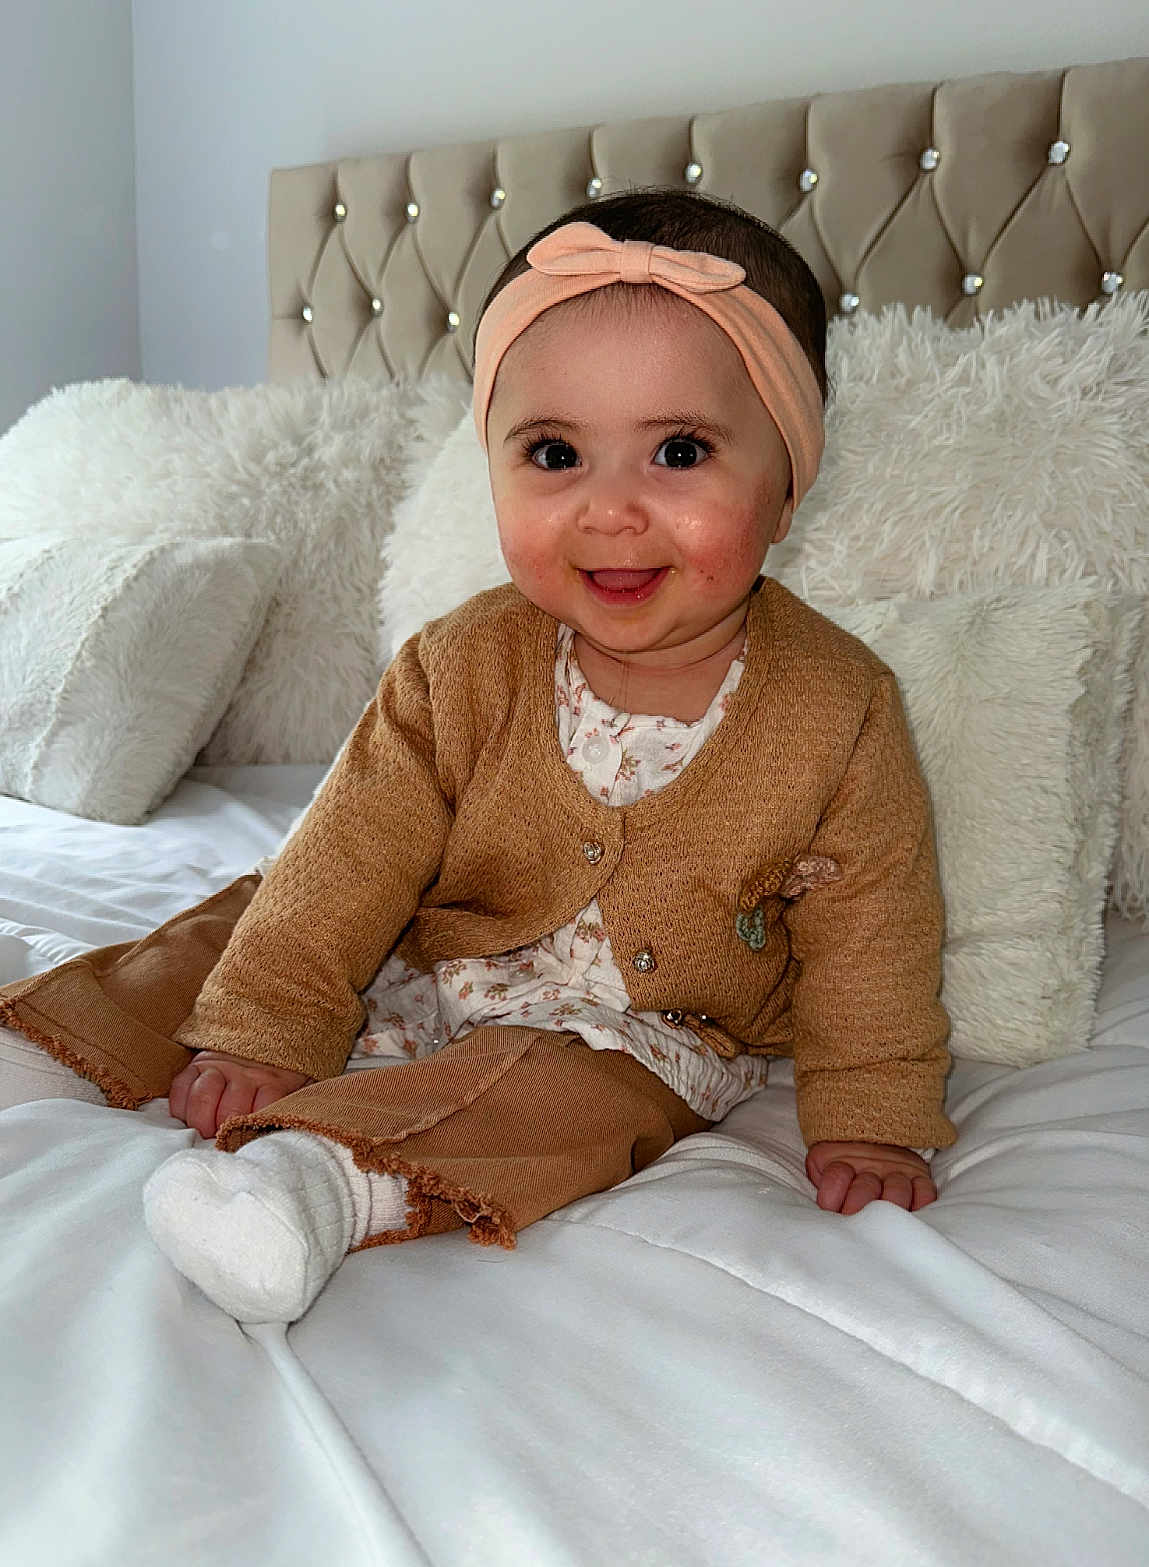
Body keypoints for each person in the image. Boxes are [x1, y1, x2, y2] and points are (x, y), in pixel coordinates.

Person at [0, 190, 956, 1323]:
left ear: (788, 480)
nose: (610, 511)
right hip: (419, 928)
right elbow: (350, 852)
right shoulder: (459, 663)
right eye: (555, 453)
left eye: (679, 451)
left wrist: (872, 1113)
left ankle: (318, 1184)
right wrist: (267, 1024)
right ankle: (57, 1044)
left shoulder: (840, 707)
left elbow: (873, 933)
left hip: (644, 1027)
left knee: (558, 1100)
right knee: (260, 914)